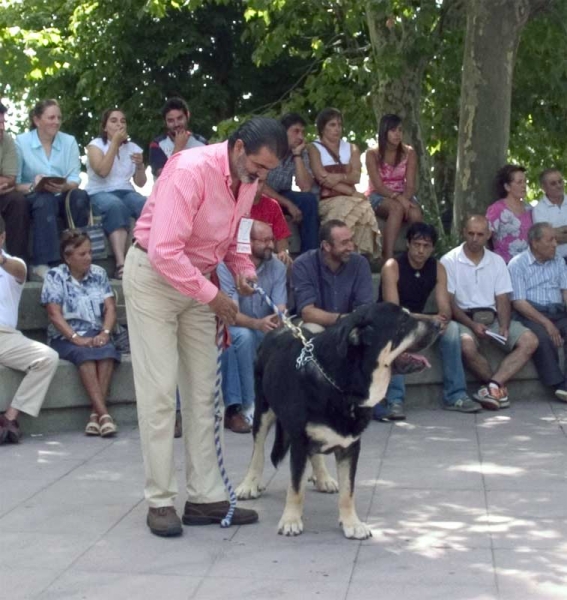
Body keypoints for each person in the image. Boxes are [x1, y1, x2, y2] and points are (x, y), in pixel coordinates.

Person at [123, 117, 288, 537]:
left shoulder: (248, 180)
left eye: (268, 171)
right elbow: (163, 251)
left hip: (197, 283)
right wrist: (214, 296)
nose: (261, 178)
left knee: (205, 394)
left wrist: (243, 268)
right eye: (257, 167)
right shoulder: (189, 169)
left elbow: (236, 239)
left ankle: (204, 496)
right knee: (160, 394)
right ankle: (160, 500)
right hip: (154, 280)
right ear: (236, 148)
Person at [378, 222, 481, 421]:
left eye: (426, 246)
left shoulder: (437, 268)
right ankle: (394, 401)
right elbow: (394, 311)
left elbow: (444, 309)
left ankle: (456, 395)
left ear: (433, 248)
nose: (420, 250)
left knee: (451, 330)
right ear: (408, 244)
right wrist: (429, 318)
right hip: (389, 321)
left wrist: (441, 320)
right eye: (416, 244)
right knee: (396, 331)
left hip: (417, 321)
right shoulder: (393, 266)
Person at [441, 215, 538, 410]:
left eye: (480, 234)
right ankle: (497, 389)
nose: (475, 238)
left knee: (530, 341)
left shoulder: (496, 261)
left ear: (488, 235)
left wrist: (503, 324)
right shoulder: (449, 261)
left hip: (492, 318)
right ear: (463, 232)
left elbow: (502, 298)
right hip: (465, 319)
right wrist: (471, 325)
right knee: (466, 345)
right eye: (471, 233)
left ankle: (493, 386)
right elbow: (450, 303)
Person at [41, 231, 120, 437]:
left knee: (107, 351)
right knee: (84, 355)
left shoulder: (99, 273)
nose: (89, 257)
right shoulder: (55, 276)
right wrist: (76, 338)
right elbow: (54, 314)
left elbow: (110, 308)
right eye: (82, 254)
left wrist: (104, 332)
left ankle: (96, 418)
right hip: (64, 336)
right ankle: (104, 415)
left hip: (95, 330)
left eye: (90, 252)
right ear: (68, 257)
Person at [219, 221, 287, 433]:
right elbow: (230, 314)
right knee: (243, 337)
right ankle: (248, 405)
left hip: (263, 327)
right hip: (237, 326)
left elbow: (280, 306)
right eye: (264, 241)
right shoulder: (226, 266)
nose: (270, 245)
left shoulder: (277, 265)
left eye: (271, 240)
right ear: (246, 244)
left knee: (286, 337)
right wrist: (258, 324)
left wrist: (279, 318)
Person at [15, 99, 90, 280]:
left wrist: (64, 186)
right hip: (33, 195)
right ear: (37, 120)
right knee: (44, 200)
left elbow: (74, 178)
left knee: (80, 196)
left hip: (63, 193)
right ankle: (44, 263)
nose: (56, 121)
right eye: (51, 117)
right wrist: (34, 185)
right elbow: (16, 184)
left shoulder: (69, 141)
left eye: (59, 117)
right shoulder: (21, 142)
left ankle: (78, 254)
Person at [0, 216, 59, 444]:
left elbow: (17, 270)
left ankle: (10, 418)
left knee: (48, 358)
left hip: (5, 337)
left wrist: (1, 259)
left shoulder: (14, 264)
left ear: (3, 237)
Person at [308, 108, 381, 259]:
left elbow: (356, 177)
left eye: (339, 125)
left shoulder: (352, 147)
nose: (337, 129)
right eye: (332, 125)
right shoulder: (314, 147)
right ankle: (334, 254)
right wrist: (350, 191)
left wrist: (338, 177)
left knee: (364, 210)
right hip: (328, 199)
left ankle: (358, 256)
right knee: (352, 205)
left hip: (352, 198)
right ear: (322, 128)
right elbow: (322, 178)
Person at [86, 108, 147, 280]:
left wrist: (141, 166)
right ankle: (121, 264)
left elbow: (140, 182)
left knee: (147, 205)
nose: (119, 124)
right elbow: (102, 171)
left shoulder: (133, 147)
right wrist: (114, 144)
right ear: (105, 127)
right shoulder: (95, 145)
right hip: (100, 191)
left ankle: (142, 261)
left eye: (122, 121)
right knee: (115, 206)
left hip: (126, 190)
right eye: (113, 121)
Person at [508, 222, 567, 401]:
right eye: (550, 240)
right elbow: (518, 302)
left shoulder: (558, 261)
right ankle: (558, 384)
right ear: (535, 243)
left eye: (556, 240)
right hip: (531, 312)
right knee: (542, 336)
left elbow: (565, 292)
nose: (555, 245)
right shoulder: (517, 264)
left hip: (557, 310)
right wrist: (546, 322)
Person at [292, 219, 373, 332]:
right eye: (344, 243)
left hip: (350, 326)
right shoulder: (303, 264)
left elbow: (364, 308)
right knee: (313, 330)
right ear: (326, 246)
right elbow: (307, 313)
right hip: (315, 324)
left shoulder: (360, 263)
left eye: (351, 240)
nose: (351, 247)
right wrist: (342, 319)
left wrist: (350, 322)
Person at [365, 113, 422, 261]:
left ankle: (415, 256)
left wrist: (405, 199)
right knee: (396, 209)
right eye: (393, 130)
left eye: (400, 130)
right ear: (384, 132)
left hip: (403, 193)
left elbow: (410, 185)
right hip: (379, 194)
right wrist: (399, 200)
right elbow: (378, 186)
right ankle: (388, 257)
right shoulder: (372, 154)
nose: (397, 134)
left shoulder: (409, 153)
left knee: (415, 213)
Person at [264, 113, 319, 253]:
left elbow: (305, 186)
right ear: (282, 132)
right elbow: (258, 184)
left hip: (282, 193)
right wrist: (288, 204)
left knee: (309, 200)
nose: (301, 137)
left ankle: (310, 256)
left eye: (302, 132)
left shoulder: (300, 151)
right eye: (296, 131)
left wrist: (297, 155)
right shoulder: (267, 148)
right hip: (260, 193)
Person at [149, 97, 207, 179]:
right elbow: (163, 177)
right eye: (170, 120)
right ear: (165, 122)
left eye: (180, 118)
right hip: (169, 191)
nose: (176, 124)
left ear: (187, 116)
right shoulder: (157, 144)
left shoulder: (202, 143)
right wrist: (178, 148)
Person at [0, 102, 30, 262]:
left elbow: (10, 179)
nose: (2, 127)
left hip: (3, 193)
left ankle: (18, 263)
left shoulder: (6, 141)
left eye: (3, 122)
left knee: (18, 201)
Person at [486, 164, 533, 263]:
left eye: (525, 181)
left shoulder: (529, 209)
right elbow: (485, 236)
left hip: (528, 265)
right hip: (503, 265)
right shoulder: (496, 209)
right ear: (507, 186)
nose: (524, 185)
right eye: (519, 182)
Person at [250, 179, 292, 267]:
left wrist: (283, 252)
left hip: (264, 256)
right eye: (251, 182)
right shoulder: (233, 203)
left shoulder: (272, 205)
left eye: (259, 183)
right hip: (238, 256)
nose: (255, 187)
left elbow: (281, 237)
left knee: (281, 263)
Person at [533, 168, 567, 261]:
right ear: (543, 187)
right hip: (555, 261)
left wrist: (557, 230)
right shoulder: (539, 209)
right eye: (553, 183)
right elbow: (546, 238)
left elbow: (553, 236)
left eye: (560, 181)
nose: (559, 185)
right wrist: (553, 234)